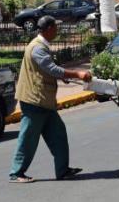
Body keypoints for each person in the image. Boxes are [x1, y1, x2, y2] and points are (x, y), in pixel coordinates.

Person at [9, 16, 92, 184]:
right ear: (47, 29)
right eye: (55, 27)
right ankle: (16, 172)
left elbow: (47, 71)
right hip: (34, 100)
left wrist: (63, 77)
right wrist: (77, 74)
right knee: (29, 138)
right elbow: (51, 68)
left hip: (44, 100)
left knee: (58, 133)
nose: (57, 31)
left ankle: (63, 170)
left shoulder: (42, 46)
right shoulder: (37, 48)